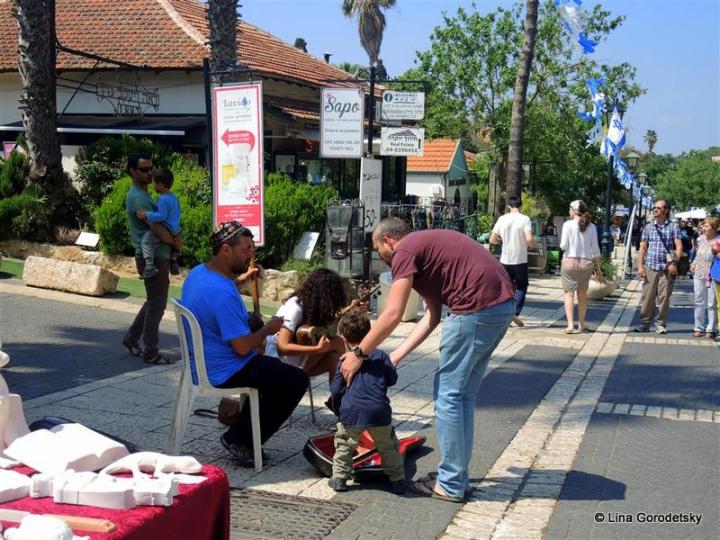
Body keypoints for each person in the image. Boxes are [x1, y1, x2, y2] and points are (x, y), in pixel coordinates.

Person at [340, 217, 515, 503]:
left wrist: (359, 353)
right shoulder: (425, 252)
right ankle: (456, 477)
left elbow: (393, 313)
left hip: (474, 309)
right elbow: (432, 316)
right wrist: (395, 356)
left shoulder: (405, 250)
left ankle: (450, 483)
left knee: (448, 396)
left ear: (388, 240)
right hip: (500, 307)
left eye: (377, 249)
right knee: (462, 396)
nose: (380, 257)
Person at [181, 221, 309, 466]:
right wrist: (268, 329)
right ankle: (239, 439)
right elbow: (241, 348)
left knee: (271, 371)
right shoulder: (223, 294)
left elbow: (220, 290)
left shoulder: (199, 273)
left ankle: (246, 432)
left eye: (252, 248)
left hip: (201, 363)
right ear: (226, 250)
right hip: (223, 370)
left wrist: (242, 280)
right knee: (295, 380)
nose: (251, 255)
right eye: (245, 249)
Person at [327, 309, 406, 494]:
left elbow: (335, 389)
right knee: (388, 447)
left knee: (345, 445)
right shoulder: (381, 356)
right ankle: (398, 480)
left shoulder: (344, 361)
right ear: (369, 333)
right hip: (379, 411)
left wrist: (341, 407)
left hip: (352, 412)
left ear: (344, 338)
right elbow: (392, 379)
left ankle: (339, 478)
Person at [122, 154, 176, 365]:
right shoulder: (138, 197)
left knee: (153, 302)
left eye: (151, 168)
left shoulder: (145, 194)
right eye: (144, 169)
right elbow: (156, 228)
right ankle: (151, 352)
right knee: (157, 307)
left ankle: (131, 339)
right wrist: (174, 241)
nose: (150, 173)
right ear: (132, 171)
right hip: (152, 258)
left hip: (156, 256)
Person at [264, 269, 347, 383]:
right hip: (278, 362)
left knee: (333, 355)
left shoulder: (314, 309)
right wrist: (316, 350)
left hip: (296, 361)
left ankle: (336, 393)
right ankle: (295, 380)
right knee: (337, 343)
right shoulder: (295, 306)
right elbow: (282, 347)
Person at [635, 198, 683, 334]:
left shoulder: (673, 226)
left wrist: (674, 263)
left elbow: (679, 246)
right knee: (647, 297)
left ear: (666, 211)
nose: (655, 210)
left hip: (666, 268)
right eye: (654, 207)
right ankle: (644, 323)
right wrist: (640, 266)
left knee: (664, 297)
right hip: (651, 266)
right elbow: (642, 247)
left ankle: (661, 324)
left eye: (659, 208)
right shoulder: (648, 227)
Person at [490, 195, 535, 326]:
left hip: (505, 259)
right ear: (520, 206)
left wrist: (502, 241)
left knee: (507, 287)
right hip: (520, 258)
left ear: (508, 206)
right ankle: (515, 312)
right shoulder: (524, 219)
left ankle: (505, 312)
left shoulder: (502, 219)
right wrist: (532, 245)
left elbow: (492, 239)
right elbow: (529, 239)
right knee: (521, 286)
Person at [559, 200, 603, 334]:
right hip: (585, 264)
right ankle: (581, 325)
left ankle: (570, 325)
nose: (569, 211)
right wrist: (599, 269)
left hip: (569, 263)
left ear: (574, 210)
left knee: (569, 294)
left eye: (570, 208)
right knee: (582, 295)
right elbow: (596, 250)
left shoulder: (567, 225)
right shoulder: (592, 227)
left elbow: (563, 246)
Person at [136, 168, 182, 279]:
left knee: (146, 242)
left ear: (161, 184)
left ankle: (149, 267)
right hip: (175, 229)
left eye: (154, 184)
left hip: (165, 228)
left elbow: (161, 216)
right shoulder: (174, 197)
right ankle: (173, 261)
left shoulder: (164, 199)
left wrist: (146, 214)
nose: (153, 186)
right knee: (173, 246)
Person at [690, 217, 718, 339]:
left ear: (714, 228)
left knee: (712, 303)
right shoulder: (701, 239)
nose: (703, 228)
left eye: (706, 226)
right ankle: (698, 327)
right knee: (699, 301)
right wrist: (694, 263)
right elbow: (699, 254)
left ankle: (711, 328)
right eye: (703, 226)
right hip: (699, 272)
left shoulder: (718, 240)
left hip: (712, 274)